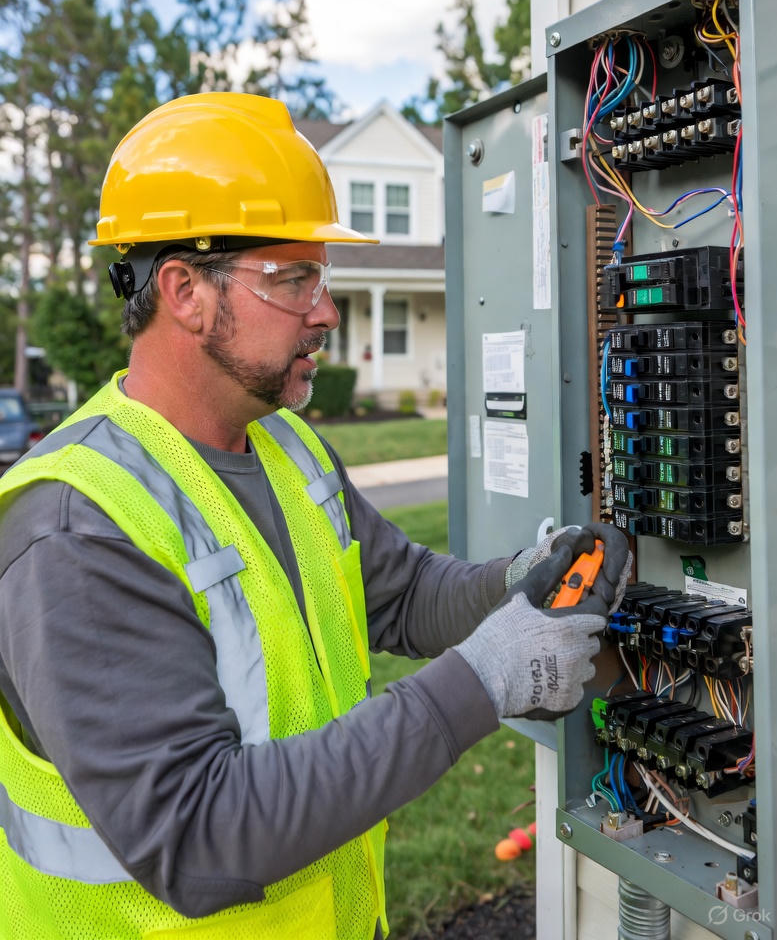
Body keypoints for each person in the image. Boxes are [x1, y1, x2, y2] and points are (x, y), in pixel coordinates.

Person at [0, 93, 631, 940]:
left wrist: (513, 586)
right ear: (185, 291)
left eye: (321, 278)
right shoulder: (79, 529)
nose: (326, 310)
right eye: (292, 278)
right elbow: (196, 833)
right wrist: (483, 681)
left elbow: (400, 593)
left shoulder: (286, 448)